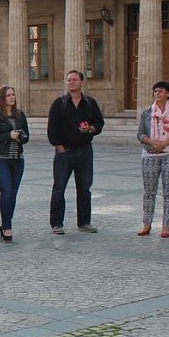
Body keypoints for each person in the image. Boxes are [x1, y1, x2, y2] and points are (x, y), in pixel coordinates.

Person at [47, 70, 105, 234]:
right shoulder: (59, 103)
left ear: (81, 82)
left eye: (74, 80)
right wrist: (59, 146)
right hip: (65, 152)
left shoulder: (90, 103)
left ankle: (84, 222)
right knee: (59, 188)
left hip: (85, 151)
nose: (71, 82)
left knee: (85, 188)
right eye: (68, 80)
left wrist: (90, 129)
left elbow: (99, 123)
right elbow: (52, 127)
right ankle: (57, 223)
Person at [137, 81, 169, 238]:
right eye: (155, 91)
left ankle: (166, 225)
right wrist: (152, 142)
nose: (157, 93)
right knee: (149, 191)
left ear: (168, 94)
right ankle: (146, 223)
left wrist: (164, 143)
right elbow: (140, 134)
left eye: (160, 91)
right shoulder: (146, 113)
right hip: (150, 155)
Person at [0, 86, 29, 241]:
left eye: (13, 95)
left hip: (17, 159)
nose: (11, 97)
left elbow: (26, 135)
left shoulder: (20, 115)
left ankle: (5, 224)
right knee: (7, 191)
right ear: (2, 98)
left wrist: (20, 137)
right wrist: (8, 136)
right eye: (8, 95)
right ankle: (7, 227)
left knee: (13, 194)